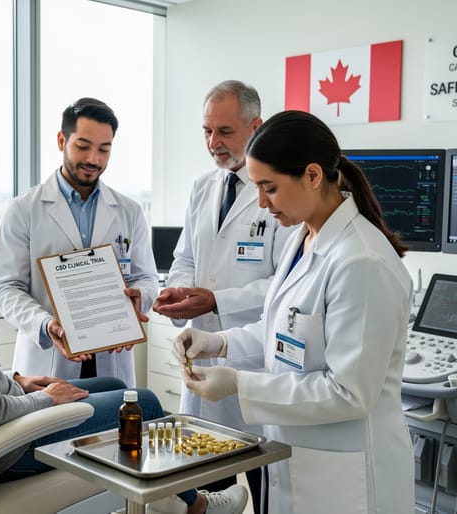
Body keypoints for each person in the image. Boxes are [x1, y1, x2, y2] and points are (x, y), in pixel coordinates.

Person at [0, 155, 248, 514]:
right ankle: (194, 507)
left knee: (113, 385)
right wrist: (45, 398)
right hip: (4, 444)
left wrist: (18, 382)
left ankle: (169, 504)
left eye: (105, 148)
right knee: (142, 403)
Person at [174, 111, 415, 513]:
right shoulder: (304, 237)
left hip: (346, 478)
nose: (262, 203)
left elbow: (349, 393)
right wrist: (218, 342)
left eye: (269, 188)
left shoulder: (362, 262)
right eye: (257, 188)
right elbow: (284, 331)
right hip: (297, 458)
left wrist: (239, 385)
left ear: (313, 175)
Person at [152, 81, 293, 513]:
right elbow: (185, 257)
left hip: (254, 361)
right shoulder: (203, 186)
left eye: (225, 131)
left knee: (265, 481)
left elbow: (286, 285)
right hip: (202, 358)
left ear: (256, 126)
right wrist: (179, 291)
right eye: (207, 131)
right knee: (209, 482)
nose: (214, 142)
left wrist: (216, 300)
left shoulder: (279, 193)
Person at [0, 97, 158, 387]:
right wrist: (46, 324)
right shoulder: (24, 209)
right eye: (83, 146)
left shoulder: (129, 211)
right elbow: (5, 288)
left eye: (104, 149)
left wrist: (139, 297)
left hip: (112, 357)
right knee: (55, 418)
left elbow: (147, 278)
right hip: (49, 361)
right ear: (61, 141)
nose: (94, 159)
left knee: (113, 415)